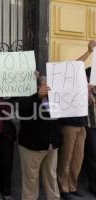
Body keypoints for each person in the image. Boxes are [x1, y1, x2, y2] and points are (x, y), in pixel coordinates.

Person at [57, 40, 96, 199]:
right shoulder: (76, 73)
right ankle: (63, 188)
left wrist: (90, 96)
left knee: (77, 159)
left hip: (82, 124)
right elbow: (76, 65)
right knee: (66, 157)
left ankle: (73, 186)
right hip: (69, 123)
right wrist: (89, 51)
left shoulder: (90, 84)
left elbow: (88, 103)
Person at [17, 75, 61, 200]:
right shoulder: (28, 95)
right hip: (32, 146)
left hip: (52, 145)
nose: (49, 86)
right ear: (38, 86)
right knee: (31, 179)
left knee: (51, 176)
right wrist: (37, 96)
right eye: (45, 83)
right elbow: (21, 108)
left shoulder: (55, 97)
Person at [84, 67, 96, 196]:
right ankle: (93, 186)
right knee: (93, 155)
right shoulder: (85, 90)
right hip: (91, 126)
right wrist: (89, 92)